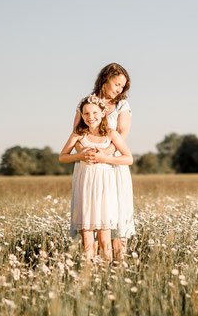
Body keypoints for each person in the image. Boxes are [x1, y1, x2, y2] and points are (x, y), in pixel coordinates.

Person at [59, 94, 133, 261]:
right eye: (86, 114)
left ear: (102, 114)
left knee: (104, 235)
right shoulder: (78, 134)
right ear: (82, 115)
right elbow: (62, 156)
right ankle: (88, 271)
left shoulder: (111, 134)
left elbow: (128, 158)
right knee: (86, 234)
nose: (90, 117)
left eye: (94, 113)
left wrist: (105, 158)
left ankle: (105, 272)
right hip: (85, 186)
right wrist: (80, 156)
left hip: (105, 188)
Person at [73, 63, 135, 261]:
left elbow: (122, 135)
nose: (119, 89)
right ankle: (92, 263)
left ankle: (117, 263)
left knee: (114, 213)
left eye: (122, 87)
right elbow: (77, 133)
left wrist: (105, 155)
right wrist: (87, 154)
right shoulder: (87, 105)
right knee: (91, 215)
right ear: (105, 79)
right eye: (117, 84)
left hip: (113, 164)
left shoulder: (122, 106)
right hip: (89, 167)